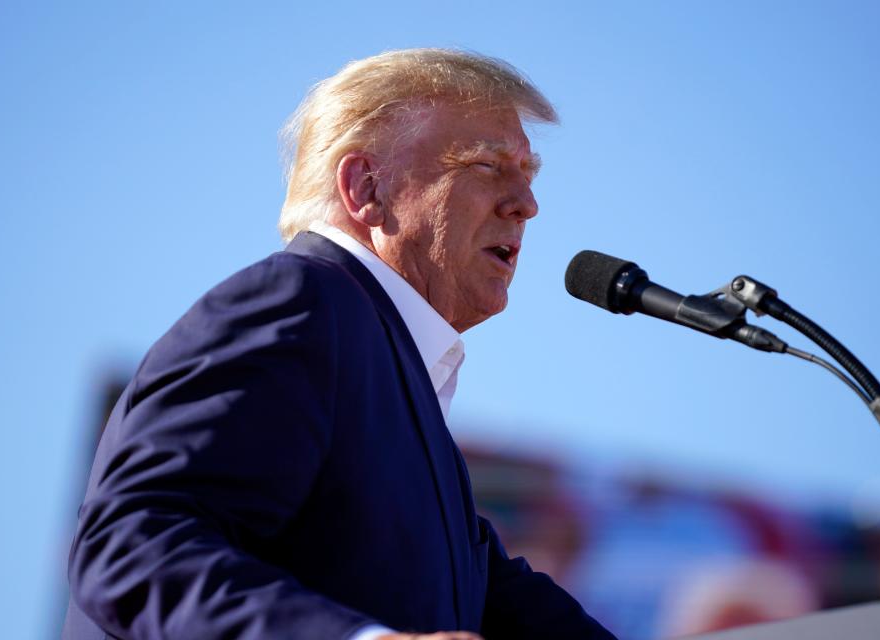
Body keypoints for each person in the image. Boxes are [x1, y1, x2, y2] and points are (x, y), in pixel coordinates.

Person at [63, 48, 616, 640]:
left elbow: (509, 610)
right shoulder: (300, 300)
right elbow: (131, 543)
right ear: (366, 187)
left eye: (528, 176)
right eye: (486, 165)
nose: (526, 205)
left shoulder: (395, 383)